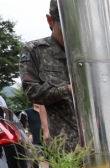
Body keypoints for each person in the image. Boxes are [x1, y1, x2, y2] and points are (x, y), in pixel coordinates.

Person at [19, 0, 79, 152]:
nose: (71, 34)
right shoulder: (35, 50)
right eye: (65, 28)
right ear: (50, 20)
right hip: (64, 147)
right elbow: (32, 93)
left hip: (100, 143)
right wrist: (67, 89)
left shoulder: (90, 51)